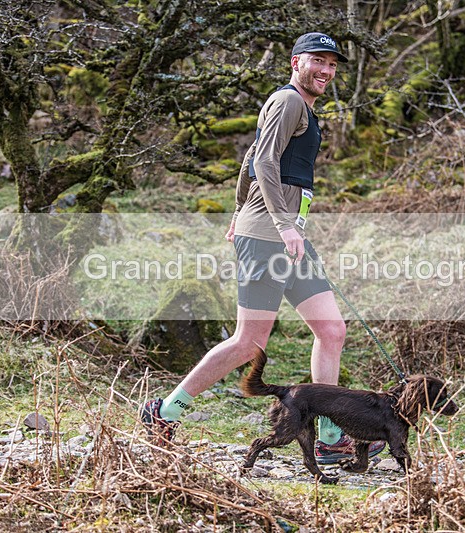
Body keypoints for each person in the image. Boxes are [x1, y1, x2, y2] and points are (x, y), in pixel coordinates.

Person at [142, 32, 385, 464]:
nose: (326, 71)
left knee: (332, 331)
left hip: (288, 236)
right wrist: (277, 222)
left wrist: (240, 207)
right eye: (317, 61)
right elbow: (265, 162)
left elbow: (252, 155)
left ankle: (330, 436)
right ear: (296, 62)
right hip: (272, 235)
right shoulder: (289, 100)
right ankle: (163, 412)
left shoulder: (303, 108)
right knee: (248, 343)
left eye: (332, 64)